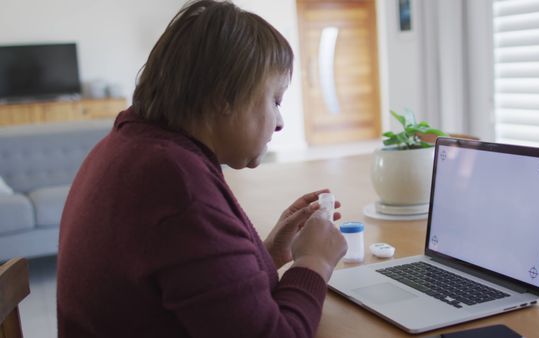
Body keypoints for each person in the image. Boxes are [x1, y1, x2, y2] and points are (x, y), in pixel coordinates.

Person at [56, 1, 347, 337]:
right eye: (275, 101)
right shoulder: (175, 183)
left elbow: (186, 282)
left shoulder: (131, 144)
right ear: (224, 95)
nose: (280, 123)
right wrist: (315, 262)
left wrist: (263, 255)